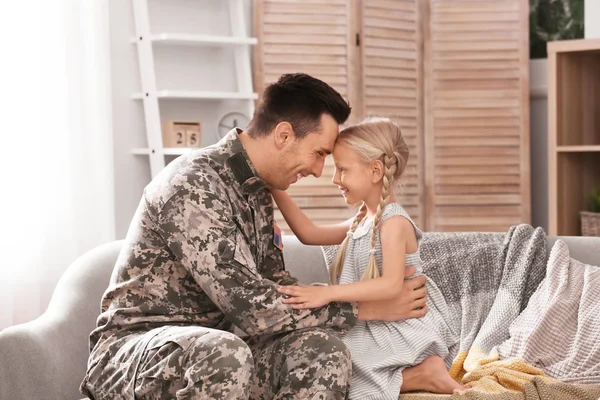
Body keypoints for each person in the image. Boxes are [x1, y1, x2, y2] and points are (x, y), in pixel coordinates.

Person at [80, 73, 429, 400]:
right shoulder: (193, 185)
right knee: (223, 353)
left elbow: (275, 286)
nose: (318, 170)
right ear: (284, 135)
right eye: (320, 153)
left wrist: (330, 302)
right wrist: (362, 308)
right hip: (135, 353)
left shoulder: (256, 190)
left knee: (323, 351)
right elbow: (253, 309)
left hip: (222, 345)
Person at [272, 117, 462, 399]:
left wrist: (325, 294)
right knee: (321, 361)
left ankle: (425, 370)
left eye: (342, 170)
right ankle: (415, 375)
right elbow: (308, 232)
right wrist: (274, 184)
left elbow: (390, 286)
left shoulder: (394, 222)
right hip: (373, 322)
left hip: (399, 326)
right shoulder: (362, 221)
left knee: (340, 372)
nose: (336, 179)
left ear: (375, 171)